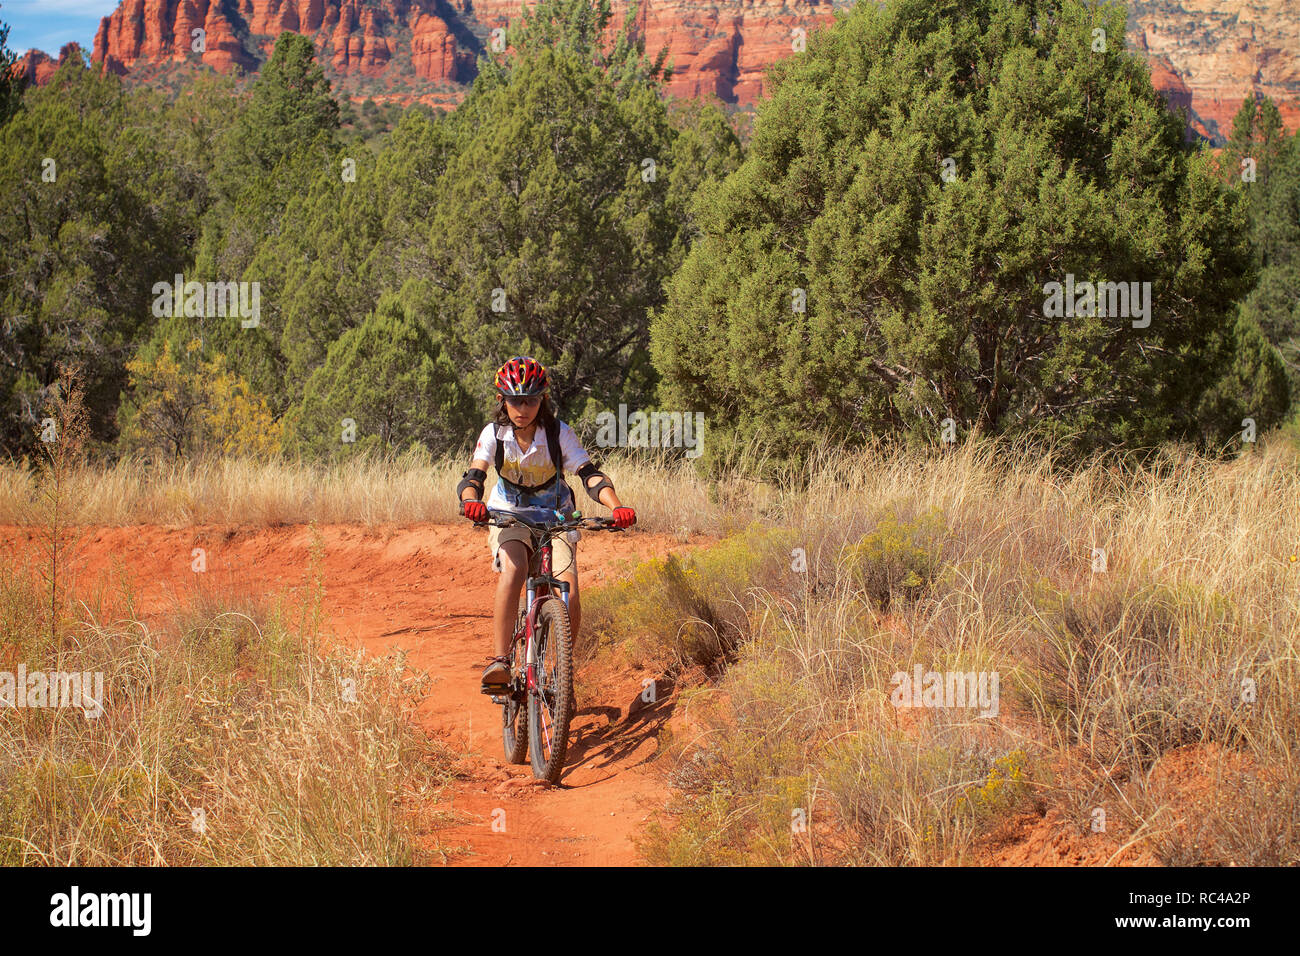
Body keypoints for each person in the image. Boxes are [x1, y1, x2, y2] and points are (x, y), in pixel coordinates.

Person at [456, 356, 636, 688]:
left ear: (543, 400)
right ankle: (499, 662)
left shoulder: (558, 433)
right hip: (507, 513)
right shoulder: (494, 434)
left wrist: (616, 506)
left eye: (531, 399)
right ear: (502, 400)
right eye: (514, 399)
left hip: (557, 516)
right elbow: (473, 477)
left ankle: (560, 674)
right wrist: (470, 502)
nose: (522, 407)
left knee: (570, 592)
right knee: (515, 568)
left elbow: (590, 475)